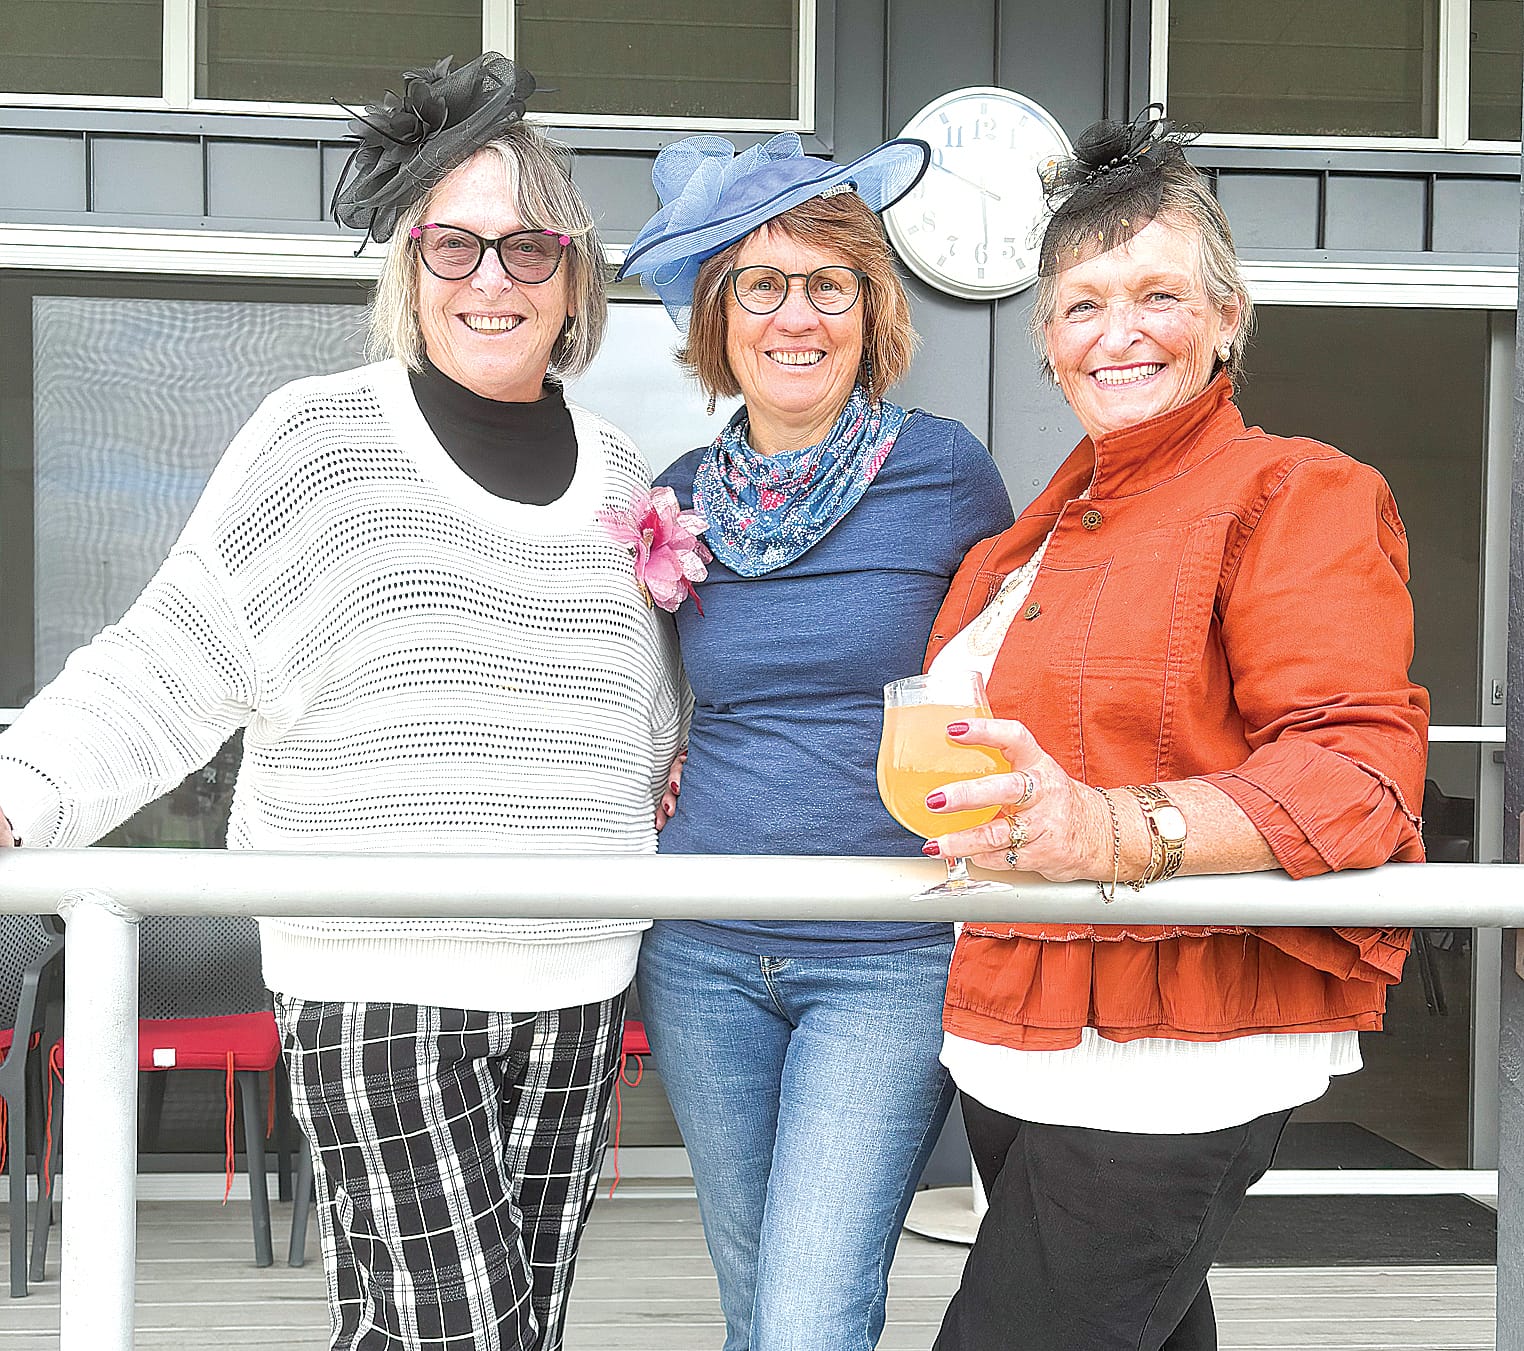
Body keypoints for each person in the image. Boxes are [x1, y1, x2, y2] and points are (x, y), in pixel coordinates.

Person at [0, 55, 682, 1351]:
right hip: (379, 976)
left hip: (580, 981)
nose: (491, 279)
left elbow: (641, 716)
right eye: (455, 246)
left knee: (489, 1330)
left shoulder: (620, 477)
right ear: (410, 269)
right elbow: (171, 654)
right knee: (464, 1336)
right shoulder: (319, 441)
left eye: (528, 248)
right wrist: (23, 789)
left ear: (574, 276)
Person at [914, 109, 1430, 1351]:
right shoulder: (1019, 543)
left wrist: (1108, 827)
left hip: (1182, 1051)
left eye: (1159, 295)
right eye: (1083, 306)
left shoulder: (1297, 491)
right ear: (1048, 343)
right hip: (1021, 1025)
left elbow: (1354, 772)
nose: (1119, 332)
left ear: (1227, 317)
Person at [615, 133, 1015, 1351]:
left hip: (889, 952)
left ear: (870, 310)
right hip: (702, 948)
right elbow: (647, 686)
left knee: (807, 1314)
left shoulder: (944, 473)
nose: (796, 315)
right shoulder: (681, 492)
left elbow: (1011, 664)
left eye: (828, 284)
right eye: (762, 285)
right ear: (718, 316)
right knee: (757, 1306)